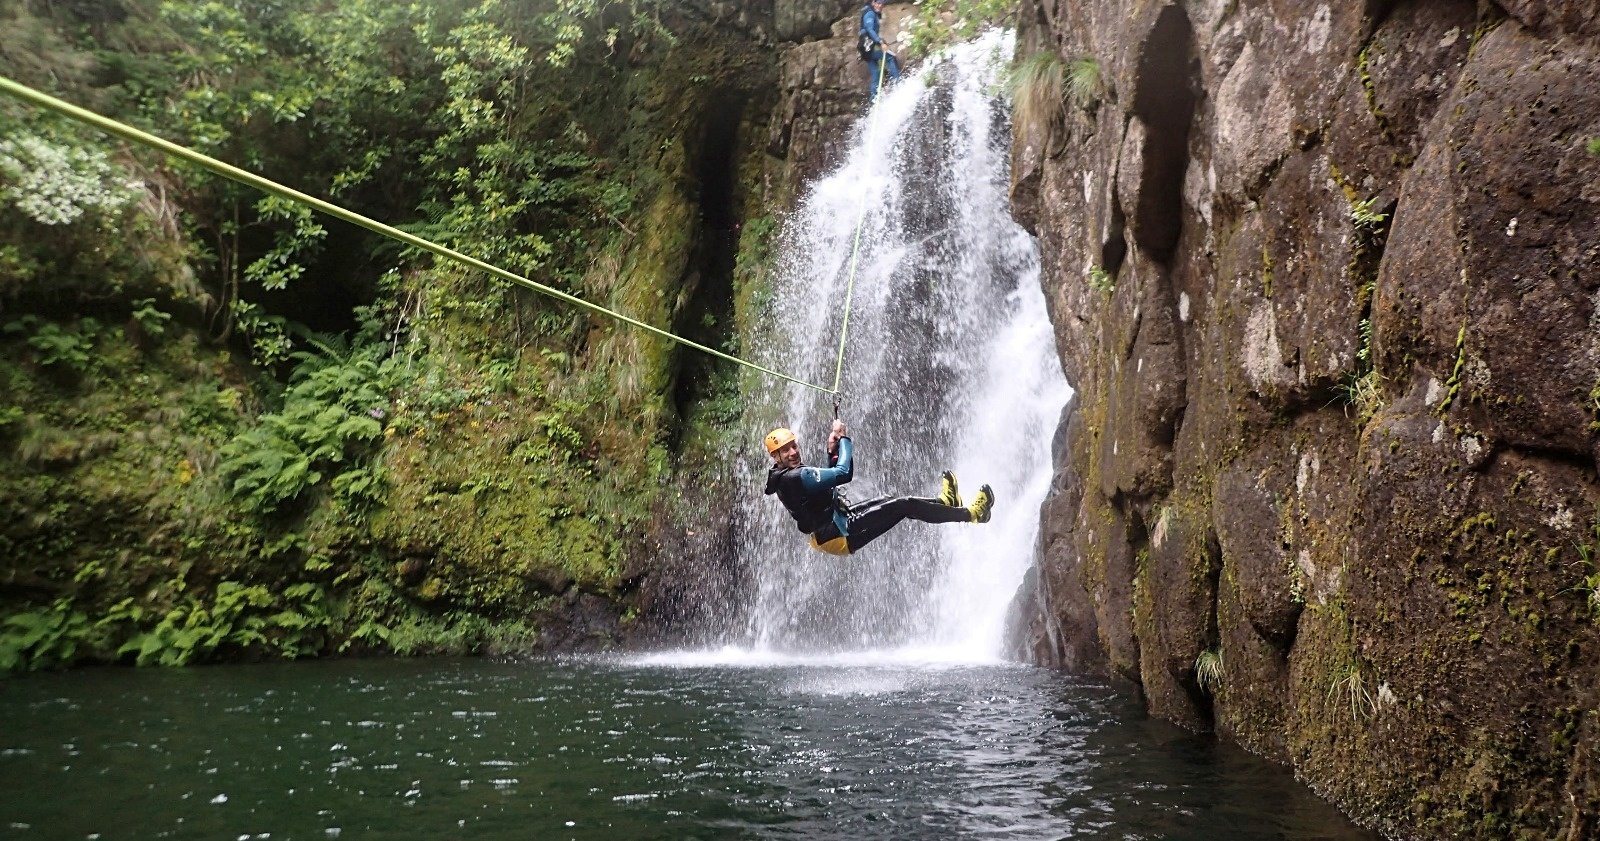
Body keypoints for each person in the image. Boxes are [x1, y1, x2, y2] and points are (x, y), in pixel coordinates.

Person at [763, 420, 994, 556]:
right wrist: (844, 439)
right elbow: (843, 474)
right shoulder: (793, 477)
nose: (793, 452)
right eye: (786, 450)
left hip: (836, 521)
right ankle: (973, 514)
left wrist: (832, 451)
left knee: (894, 501)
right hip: (837, 535)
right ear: (775, 456)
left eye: (794, 446)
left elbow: (828, 484)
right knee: (903, 506)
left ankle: (945, 503)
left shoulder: (786, 475)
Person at [857, 0, 900, 102]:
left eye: (882, 4)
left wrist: (881, 41)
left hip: (865, 49)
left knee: (876, 74)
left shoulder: (869, 12)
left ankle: (874, 99)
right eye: (878, 3)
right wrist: (880, 42)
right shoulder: (870, 13)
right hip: (868, 48)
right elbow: (869, 30)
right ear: (873, 2)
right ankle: (898, 84)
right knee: (890, 57)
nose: (880, 6)